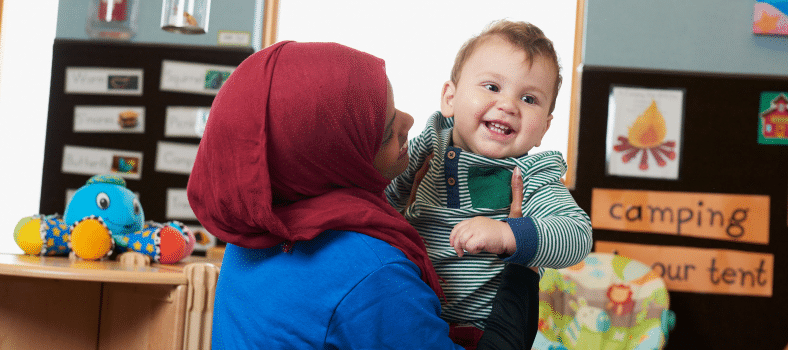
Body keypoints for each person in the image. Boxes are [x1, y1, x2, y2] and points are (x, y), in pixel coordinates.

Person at [187, 40, 539, 349]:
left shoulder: (253, 233)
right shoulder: (375, 273)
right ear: (335, 160)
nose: (410, 120)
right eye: (386, 132)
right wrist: (522, 255)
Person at [384, 20, 593, 348]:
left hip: (479, 330)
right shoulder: (430, 143)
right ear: (450, 99)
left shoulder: (531, 173)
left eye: (529, 98)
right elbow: (383, 196)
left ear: (545, 128)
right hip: (405, 311)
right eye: (492, 87)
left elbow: (578, 235)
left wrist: (507, 234)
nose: (509, 105)